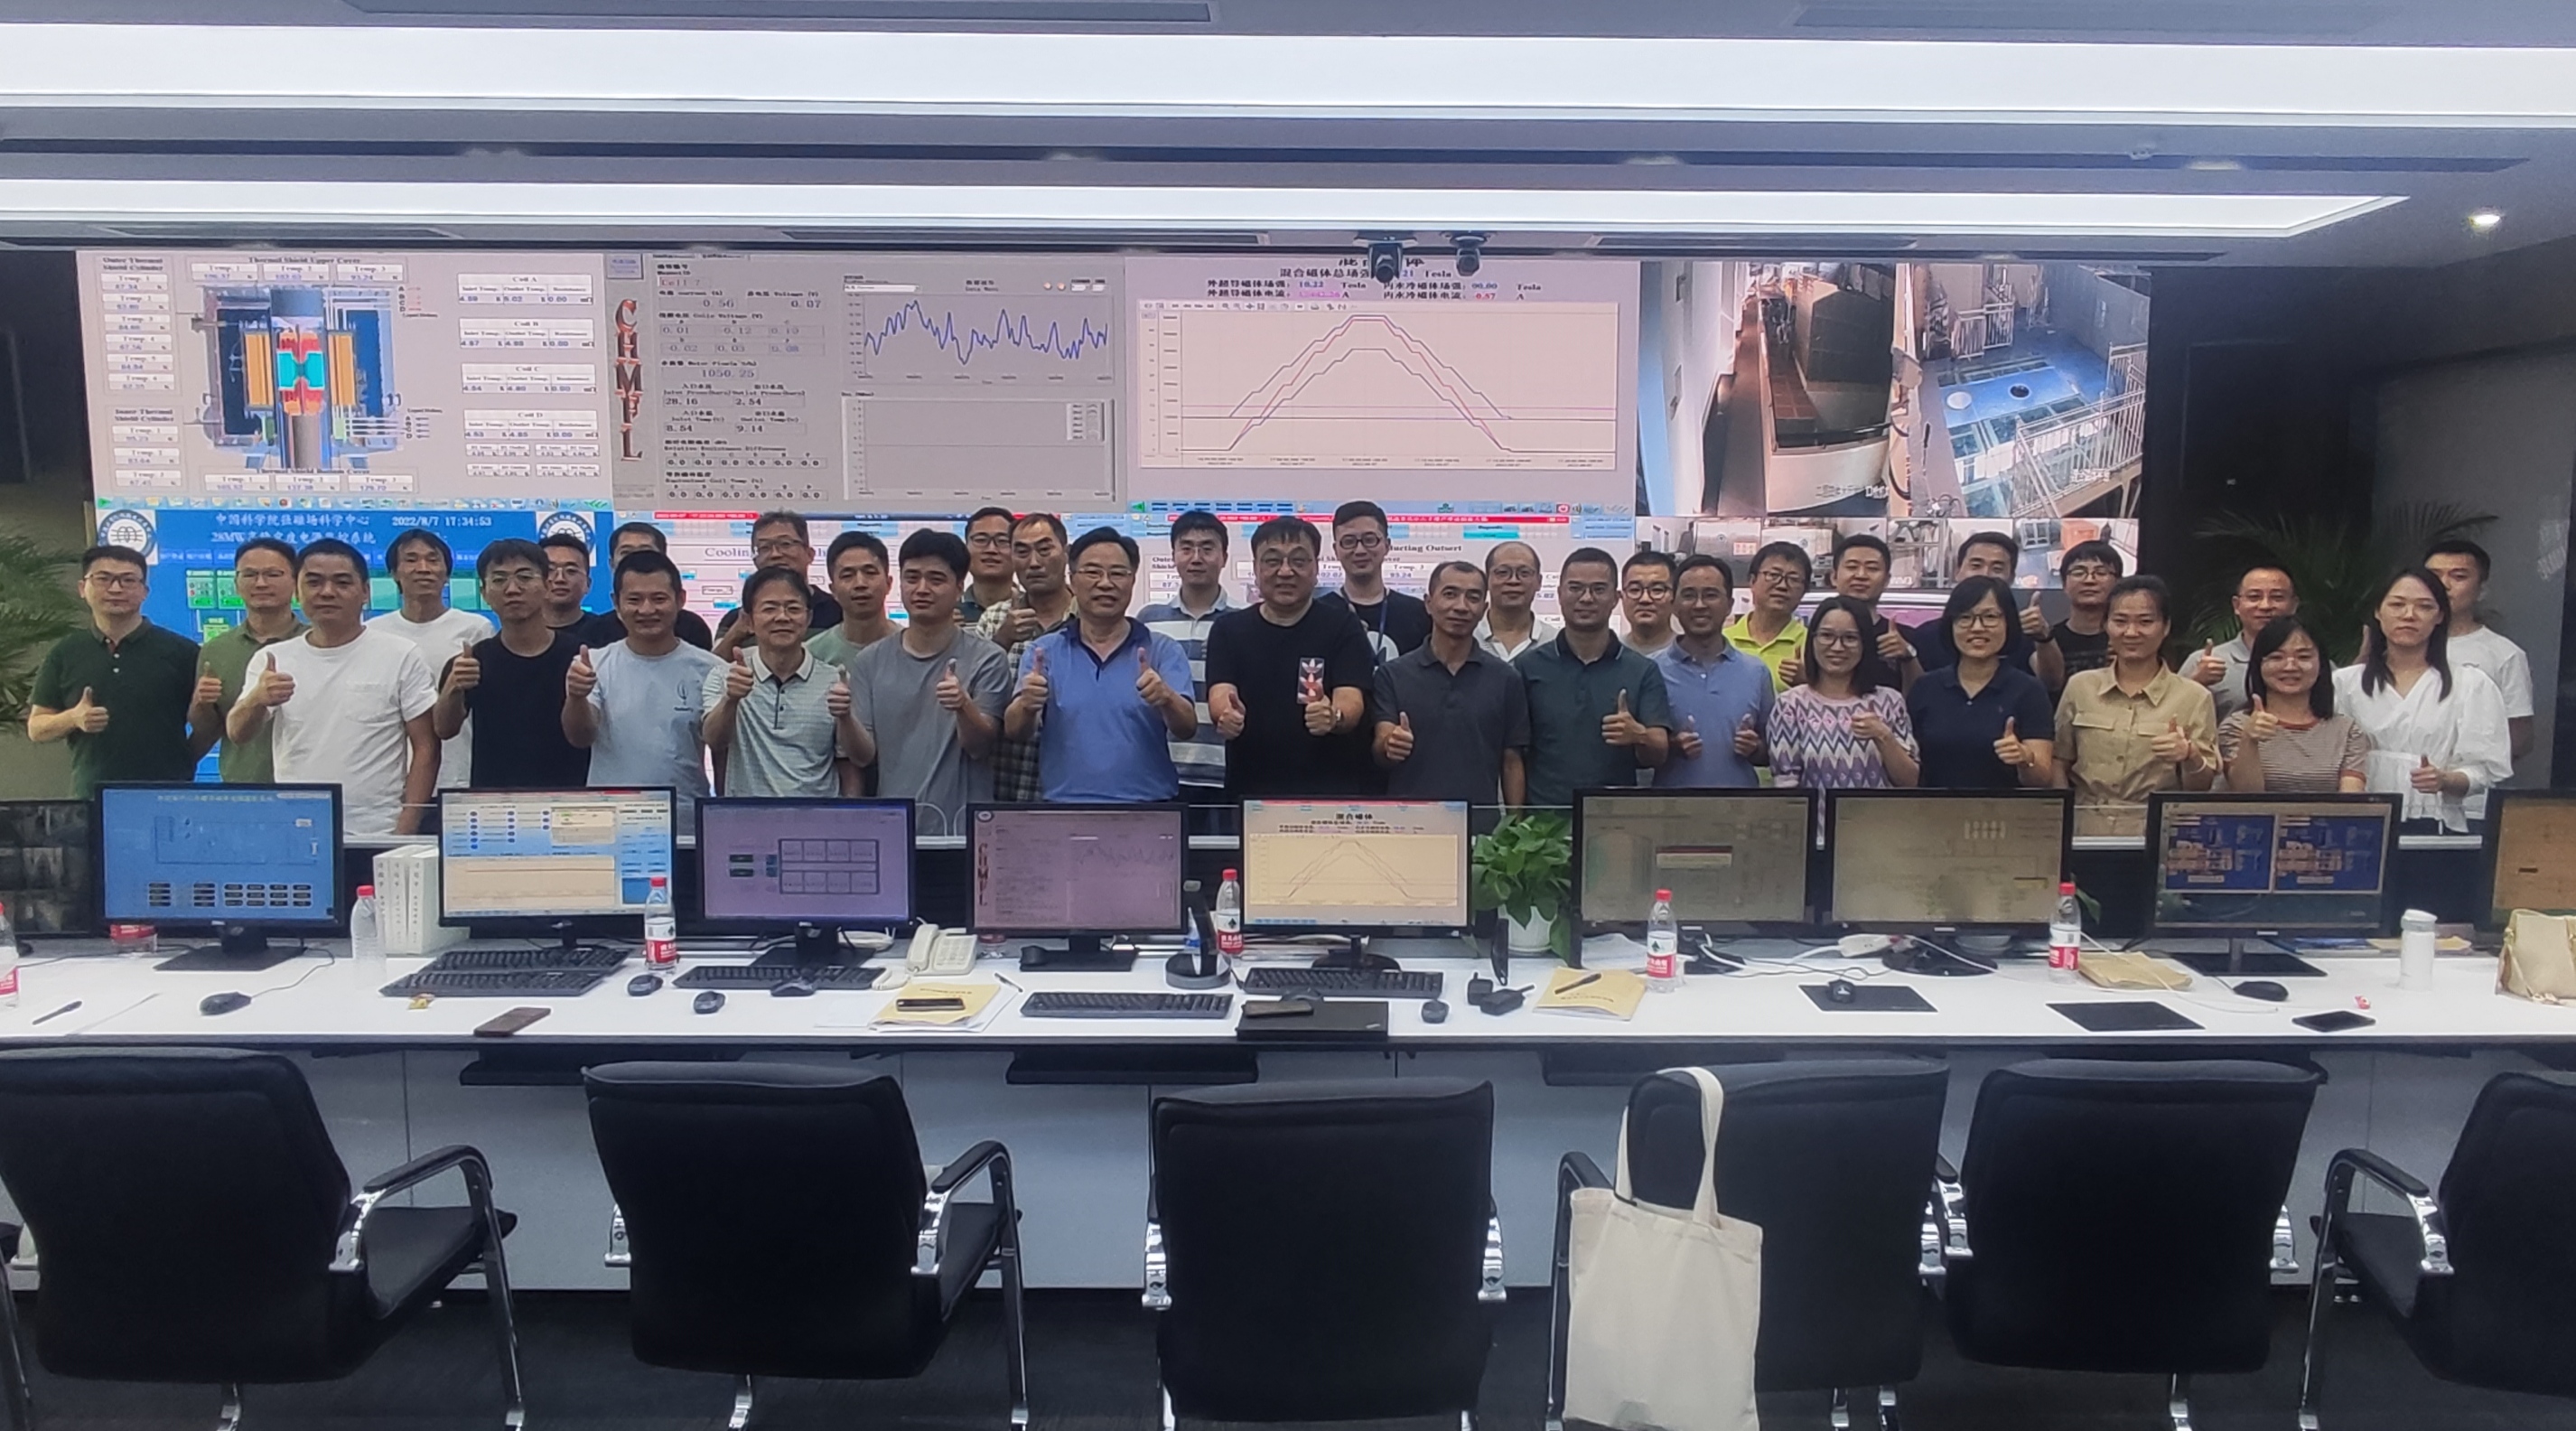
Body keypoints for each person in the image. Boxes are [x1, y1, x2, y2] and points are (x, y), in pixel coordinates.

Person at [228, 539, 438, 838]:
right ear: (297, 591)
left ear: (365, 592)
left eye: (342, 582)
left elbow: (426, 747)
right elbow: (237, 733)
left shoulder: (401, 654)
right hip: (297, 831)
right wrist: (258, 699)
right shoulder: (273, 659)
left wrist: (405, 828)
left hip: (379, 831)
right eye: (314, 582)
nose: (327, 592)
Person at [1005, 528, 1197, 804]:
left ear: (1133, 580)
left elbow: (1187, 727)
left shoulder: (1162, 649)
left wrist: (1166, 698)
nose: (1105, 583)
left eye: (1118, 573)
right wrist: (1026, 704)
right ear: (1072, 579)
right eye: (1093, 572)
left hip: (1149, 808)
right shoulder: (1044, 651)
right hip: (1065, 808)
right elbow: (1015, 731)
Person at [844, 531, 1011, 834]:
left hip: (964, 832)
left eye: (936, 579)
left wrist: (962, 706)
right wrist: (843, 717)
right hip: (894, 829)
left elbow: (980, 747)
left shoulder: (988, 658)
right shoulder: (870, 660)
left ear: (959, 588)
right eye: (912, 578)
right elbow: (863, 756)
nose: (922, 589)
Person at [1204, 516, 1378, 799]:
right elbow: (1221, 693)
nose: (1285, 572)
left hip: (1329, 792)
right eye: (1273, 561)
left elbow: (1351, 699)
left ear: (1316, 568)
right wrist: (1227, 714)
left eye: (1298, 561)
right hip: (1251, 793)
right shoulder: (1229, 629)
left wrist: (1334, 716)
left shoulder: (1343, 626)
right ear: (1256, 569)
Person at [2333, 568, 2513, 834]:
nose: (2409, 615)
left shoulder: (2471, 684)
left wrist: (2445, 780)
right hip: (2358, 822)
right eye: (2397, 605)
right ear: (2378, 612)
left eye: (2424, 607)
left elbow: (2483, 769)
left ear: (2440, 616)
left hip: (2435, 822)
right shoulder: (2345, 683)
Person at [27, 544, 213, 796]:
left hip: (168, 795)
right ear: (83, 588)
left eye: (128, 580)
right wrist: (73, 718)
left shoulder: (182, 651)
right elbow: (37, 728)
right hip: (92, 795)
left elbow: (210, 726)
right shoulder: (65, 652)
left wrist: (184, 762)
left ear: (144, 591)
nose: (116, 589)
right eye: (103, 579)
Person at [2051, 575, 2217, 837]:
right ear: (2105, 625)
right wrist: (2064, 821)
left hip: (2157, 833)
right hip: (2085, 830)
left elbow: (2202, 786)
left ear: (2165, 627)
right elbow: (2059, 761)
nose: (2131, 632)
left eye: (2145, 622)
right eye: (2120, 621)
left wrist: (2190, 755)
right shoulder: (2080, 686)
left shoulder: (2194, 696)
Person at [565, 550, 725, 821]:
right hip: (609, 819)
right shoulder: (592, 664)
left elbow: (720, 745)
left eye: (659, 599)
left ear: (680, 600)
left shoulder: (710, 668)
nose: (647, 610)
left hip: (685, 820)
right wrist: (576, 697)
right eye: (634, 600)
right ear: (616, 603)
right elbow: (580, 737)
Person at [1514, 547, 1672, 809]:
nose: (1586, 598)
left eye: (1598, 589)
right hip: (1543, 820)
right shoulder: (1528, 667)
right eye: (1575, 588)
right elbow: (1513, 755)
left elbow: (1660, 752)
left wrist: (1639, 735)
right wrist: (1516, 818)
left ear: (1616, 598)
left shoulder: (1642, 670)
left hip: (1615, 818)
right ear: (1559, 594)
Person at [433, 538, 590, 790]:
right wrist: (453, 687)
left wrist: (578, 696)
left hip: (568, 800)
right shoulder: (472, 660)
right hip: (494, 802)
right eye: (499, 580)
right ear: (484, 593)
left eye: (524, 577)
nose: (512, 589)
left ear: (547, 585)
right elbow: (444, 729)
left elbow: (585, 737)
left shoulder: (577, 656)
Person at [1373, 560, 1529, 808]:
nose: (1461, 606)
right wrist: (1390, 744)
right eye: (1450, 594)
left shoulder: (1506, 679)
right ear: (1428, 603)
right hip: (1411, 823)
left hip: (1481, 825)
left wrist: (1515, 824)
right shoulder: (1392, 674)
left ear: (1484, 609)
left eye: (1473, 597)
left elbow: (1512, 761)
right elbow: (1382, 741)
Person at [701, 567, 856, 800]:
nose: (782, 617)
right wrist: (731, 699)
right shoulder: (725, 675)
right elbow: (714, 741)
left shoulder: (834, 681)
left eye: (793, 608)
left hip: (818, 816)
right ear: (748, 621)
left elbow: (852, 761)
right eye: (769, 608)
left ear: (808, 618)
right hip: (747, 816)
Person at [366, 528, 493, 790]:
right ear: (394, 573)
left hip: (457, 775)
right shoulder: (373, 632)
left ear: (446, 573)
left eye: (433, 560)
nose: (423, 568)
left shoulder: (476, 628)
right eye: (411, 560)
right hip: (390, 779)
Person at [1905, 576, 2055, 790]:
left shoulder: (2029, 690)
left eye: (1990, 617)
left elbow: (2042, 779)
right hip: (1932, 808)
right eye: (1965, 618)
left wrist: (2024, 758)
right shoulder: (1925, 688)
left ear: (2008, 623)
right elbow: (1908, 769)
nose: (1977, 628)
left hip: (2003, 810)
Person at [1765, 596, 1918, 791]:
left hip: (1879, 812)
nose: (1837, 647)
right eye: (1827, 636)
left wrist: (1884, 736)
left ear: (1865, 644)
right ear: (1812, 639)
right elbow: (1786, 787)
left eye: (1850, 638)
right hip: (1816, 812)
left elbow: (1910, 781)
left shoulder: (1890, 701)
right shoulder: (1791, 705)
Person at [2423, 538, 2534, 797]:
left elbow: (2519, 737)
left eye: (2458, 576)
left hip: (2469, 798)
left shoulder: (2504, 654)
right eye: (2434, 576)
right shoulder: (2398, 646)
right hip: (2399, 788)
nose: (2444, 585)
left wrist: (2469, 772)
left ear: (2481, 589)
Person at [976, 512, 1075, 802]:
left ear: (1066, 553)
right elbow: (973, 702)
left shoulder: (1090, 619)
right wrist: (1002, 640)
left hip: (1072, 790)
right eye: (1022, 552)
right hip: (1007, 785)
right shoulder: (994, 619)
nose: (1033, 562)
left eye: (1044, 550)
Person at [1651, 556, 1771, 788]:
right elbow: (1637, 753)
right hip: (1671, 807)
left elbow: (1771, 751)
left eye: (1711, 595)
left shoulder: (1756, 672)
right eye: (1689, 595)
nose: (1699, 605)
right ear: (1674, 604)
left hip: (1741, 806)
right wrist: (1671, 746)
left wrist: (1754, 747)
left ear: (1730, 604)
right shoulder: (1651, 670)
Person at [1138, 510, 1234, 801]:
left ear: (1224, 557)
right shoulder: (1148, 621)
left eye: (1207, 548)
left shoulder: (1243, 621)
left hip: (1225, 770)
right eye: (1187, 548)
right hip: (1162, 771)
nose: (1196, 558)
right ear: (1174, 556)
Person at [195, 538, 305, 783]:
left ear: (296, 581)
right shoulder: (216, 649)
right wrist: (201, 703)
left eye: (273, 574)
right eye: (250, 574)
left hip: (308, 786)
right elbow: (208, 728)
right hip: (241, 785)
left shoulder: (316, 644)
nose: (261, 583)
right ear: (235, 583)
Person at [2217, 613, 2368, 794]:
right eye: (2276, 657)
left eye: (2303, 657)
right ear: (2258, 665)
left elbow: (2351, 801)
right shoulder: (2236, 726)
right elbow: (2246, 795)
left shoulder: (2347, 731)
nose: (2290, 667)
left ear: (2321, 663)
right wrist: (2249, 740)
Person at [1912, 531, 2057, 687]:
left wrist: (2043, 638)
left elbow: (2052, 683)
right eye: (1976, 566)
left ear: (2012, 577)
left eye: (1997, 569)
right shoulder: (1925, 636)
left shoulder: (2023, 633)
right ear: (1957, 571)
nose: (1985, 574)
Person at [714, 512, 841, 656]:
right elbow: (711, 664)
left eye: (785, 544)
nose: (775, 554)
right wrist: (738, 631)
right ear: (755, 560)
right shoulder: (735, 618)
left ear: (810, 554)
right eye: (765, 547)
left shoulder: (837, 611)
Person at [1319, 500, 1431, 659]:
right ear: (1336, 550)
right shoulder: (1318, 614)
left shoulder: (1418, 613)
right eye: (1349, 541)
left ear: (1387, 545)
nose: (1360, 550)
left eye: (1370, 540)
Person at [2188, 564, 2297, 721]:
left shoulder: (2312, 664)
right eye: (2254, 597)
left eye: (2277, 597)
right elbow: (2171, 718)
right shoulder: (2204, 662)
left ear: (2294, 605)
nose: (2265, 606)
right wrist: (2196, 683)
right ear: (2237, 605)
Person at [596, 521, 714, 649]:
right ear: (611, 563)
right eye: (626, 552)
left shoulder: (693, 627)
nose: (646, 610)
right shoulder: (597, 631)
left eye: (659, 599)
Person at [1830, 532, 1920, 691]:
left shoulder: (1905, 638)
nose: (1861, 575)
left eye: (1872, 568)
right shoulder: (1816, 634)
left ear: (1887, 580)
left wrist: (1908, 657)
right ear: (1834, 577)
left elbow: (1922, 695)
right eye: (1852, 567)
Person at [1724, 540, 1813, 691]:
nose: (1782, 586)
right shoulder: (1723, 641)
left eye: (1793, 579)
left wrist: (1810, 683)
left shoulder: (1813, 646)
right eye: (1773, 575)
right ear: (1752, 581)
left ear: (1804, 591)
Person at [805, 529, 899, 668]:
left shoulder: (913, 648)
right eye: (847, 575)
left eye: (870, 573)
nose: (860, 583)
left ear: (889, 584)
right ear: (833, 590)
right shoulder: (812, 656)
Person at [2048, 539, 2124, 691]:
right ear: (2064, 583)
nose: (2089, 580)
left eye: (2101, 572)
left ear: (2118, 582)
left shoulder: (2128, 637)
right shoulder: (2049, 639)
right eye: (2078, 573)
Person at [1475, 540, 1559, 659]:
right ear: (1487, 579)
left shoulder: (1556, 643)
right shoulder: (1466, 637)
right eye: (1503, 572)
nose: (1513, 581)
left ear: (1539, 582)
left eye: (1524, 573)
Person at [539, 531, 617, 648]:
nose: (560, 579)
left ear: (588, 584)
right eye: (550, 570)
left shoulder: (609, 634)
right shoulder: (518, 633)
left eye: (571, 571)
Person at [958, 505, 1021, 623]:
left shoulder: (1034, 609)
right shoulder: (948, 613)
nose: (991, 549)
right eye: (981, 540)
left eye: (1002, 541)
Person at [1618, 550, 1678, 658]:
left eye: (1657, 590)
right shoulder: (1609, 654)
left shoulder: (1690, 654)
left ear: (1675, 596)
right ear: (1621, 597)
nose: (1645, 599)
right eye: (1635, 590)